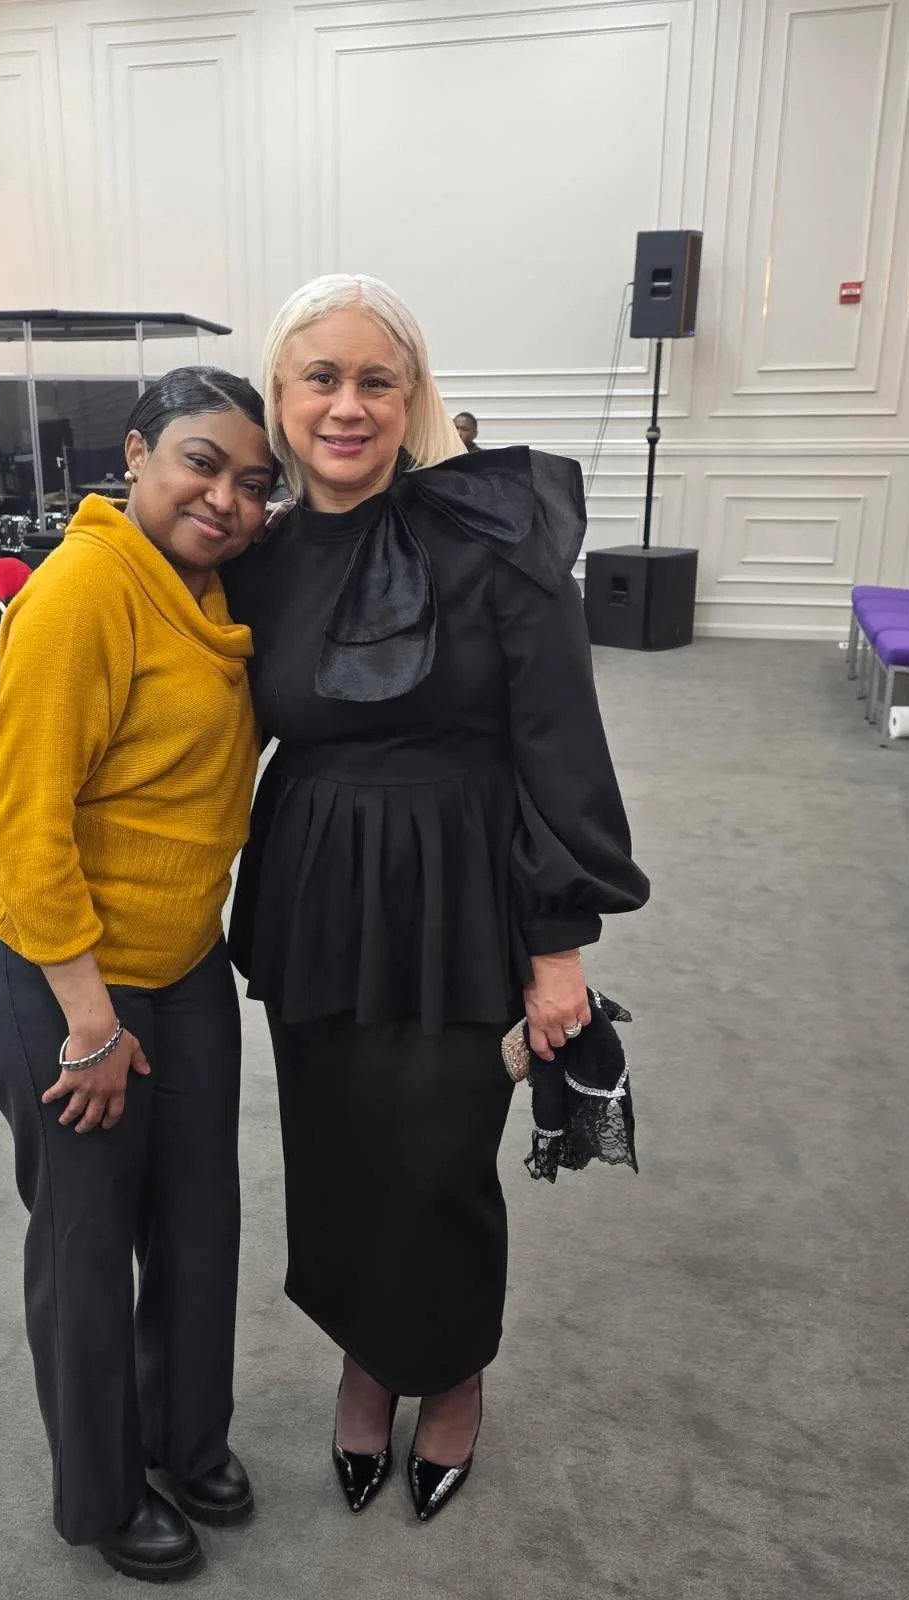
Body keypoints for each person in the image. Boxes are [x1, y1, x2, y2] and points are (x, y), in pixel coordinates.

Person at [222, 277, 649, 1523]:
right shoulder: (261, 550)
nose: (346, 406)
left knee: (440, 1155)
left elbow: (559, 743)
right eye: (321, 378)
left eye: (376, 380)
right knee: (338, 1149)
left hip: (466, 883)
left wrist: (559, 946)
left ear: (414, 397)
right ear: (281, 394)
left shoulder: (492, 533)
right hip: (316, 883)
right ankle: (366, 1355)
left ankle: (449, 1370)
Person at [0, 367, 275, 1582]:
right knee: (88, 1231)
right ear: (134, 452)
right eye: (200, 461)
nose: (226, 497)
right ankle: (100, 1491)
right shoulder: (86, 591)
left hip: (180, 950)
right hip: (52, 958)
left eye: (252, 481)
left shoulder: (213, 586)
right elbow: (23, 832)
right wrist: (88, 1021)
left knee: (199, 1213)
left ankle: (189, 1443)